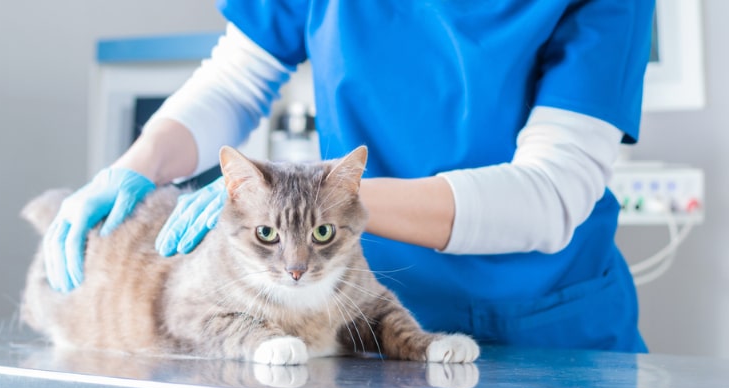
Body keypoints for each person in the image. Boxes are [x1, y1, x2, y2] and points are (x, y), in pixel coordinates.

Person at [44, 0, 655, 353]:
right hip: (350, 321)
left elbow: (550, 193)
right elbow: (238, 77)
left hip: (545, 326)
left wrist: (331, 207)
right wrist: (135, 166)